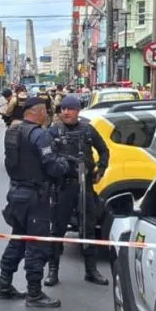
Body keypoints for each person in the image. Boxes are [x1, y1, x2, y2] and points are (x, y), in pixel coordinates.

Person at [0, 96, 74, 308]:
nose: (47, 116)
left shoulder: (13, 132)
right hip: (35, 196)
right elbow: (52, 166)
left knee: (18, 240)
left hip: (16, 192)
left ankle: (4, 284)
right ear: (38, 112)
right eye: (45, 112)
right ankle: (34, 293)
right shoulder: (39, 135)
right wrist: (66, 165)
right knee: (37, 244)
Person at [46, 95, 110, 287]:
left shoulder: (88, 130)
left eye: (70, 109)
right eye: (63, 109)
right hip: (63, 187)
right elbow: (47, 158)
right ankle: (52, 271)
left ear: (77, 111)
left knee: (88, 228)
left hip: (86, 187)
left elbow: (104, 150)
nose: (66, 112)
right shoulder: (54, 131)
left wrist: (101, 169)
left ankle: (91, 271)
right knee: (57, 230)